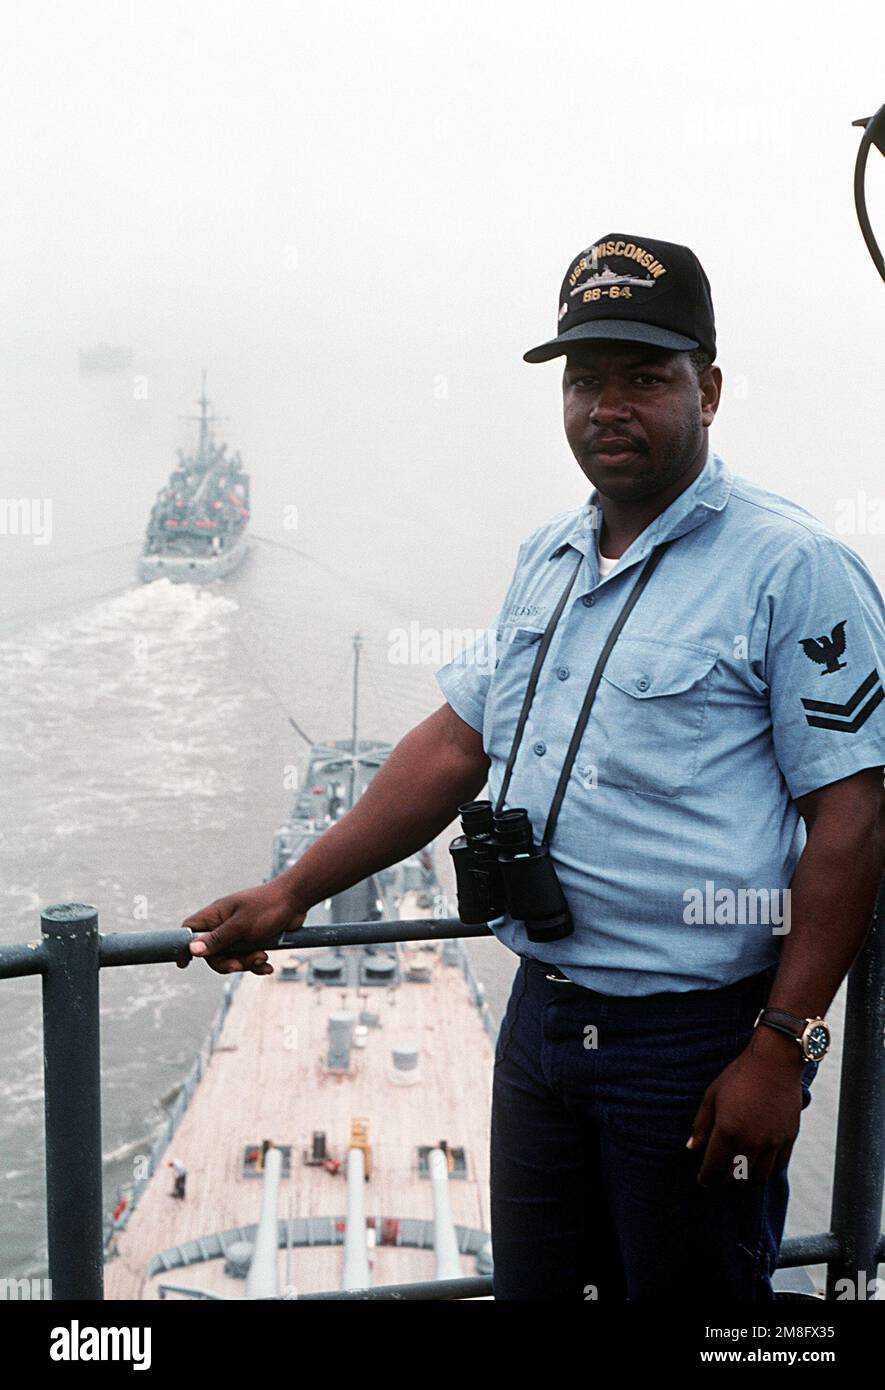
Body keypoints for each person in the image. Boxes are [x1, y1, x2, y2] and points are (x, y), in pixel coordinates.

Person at [179, 233, 885, 1301]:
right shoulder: (548, 558)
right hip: (544, 1022)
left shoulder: (795, 567)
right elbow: (452, 747)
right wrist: (292, 890)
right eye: (586, 379)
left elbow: (856, 816)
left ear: (712, 389)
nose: (609, 406)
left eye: (646, 378)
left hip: (693, 1044)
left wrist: (781, 1047)